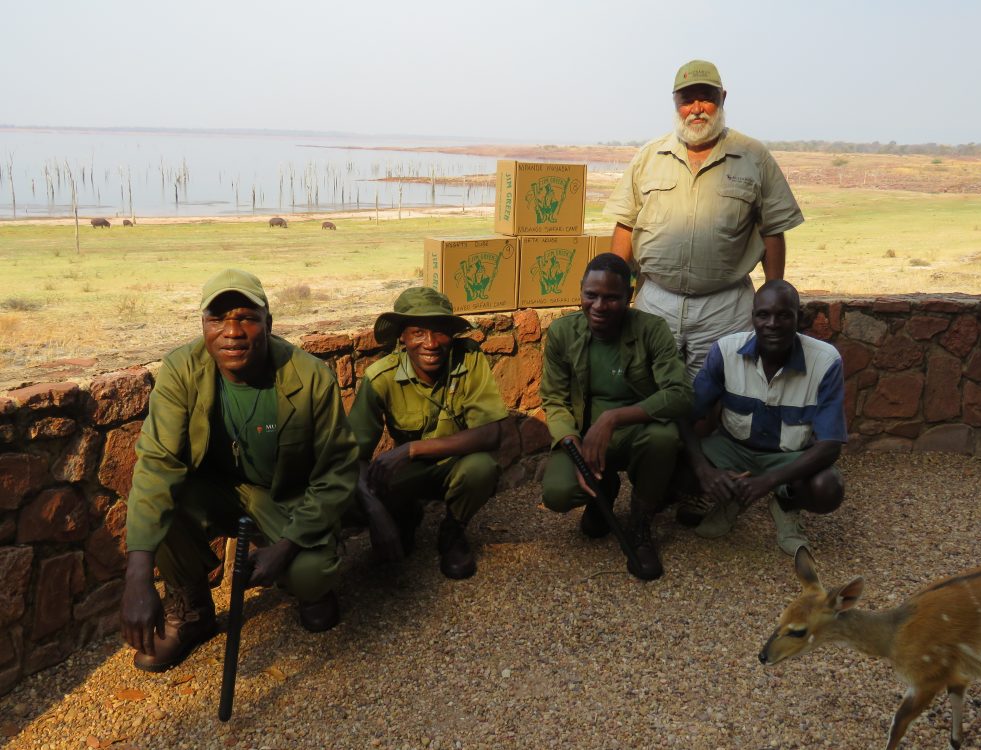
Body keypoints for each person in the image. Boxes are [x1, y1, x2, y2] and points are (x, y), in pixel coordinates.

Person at [121, 269, 358, 672]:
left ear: (269, 323)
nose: (231, 332)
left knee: (311, 573)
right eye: (217, 319)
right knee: (165, 501)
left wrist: (285, 548)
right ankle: (194, 612)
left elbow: (337, 472)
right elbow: (156, 466)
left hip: (282, 495)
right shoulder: (181, 371)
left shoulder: (310, 377)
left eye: (246, 317)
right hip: (213, 491)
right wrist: (138, 574)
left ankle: (310, 587)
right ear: (203, 325)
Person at [604, 59, 804, 380]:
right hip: (656, 303)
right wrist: (612, 294)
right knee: (650, 392)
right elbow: (625, 225)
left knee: (719, 401)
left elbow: (773, 230)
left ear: (723, 98)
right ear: (675, 103)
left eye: (706, 97)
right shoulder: (649, 156)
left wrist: (773, 297)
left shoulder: (753, 156)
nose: (697, 108)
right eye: (687, 100)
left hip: (725, 309)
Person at [540, 253, 692, 580]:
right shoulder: (562, 334)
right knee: (557, 493)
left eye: (612, 298)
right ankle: (602, 491)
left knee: (664, 437)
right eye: (591, 295)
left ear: (629, 297)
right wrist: (571, 442)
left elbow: (680, 393)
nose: (599, 306)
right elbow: (554, 399)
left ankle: (640, 523)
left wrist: (612, 419)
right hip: (584, 437)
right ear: (580, 291)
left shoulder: (651, 330)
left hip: (636, 431)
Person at [348, 287, 507, 580]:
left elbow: (492, 435)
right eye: (418, 332)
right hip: (411, 474)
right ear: (402, 337)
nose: (431, 343)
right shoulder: (381, 378)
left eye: (439, 331)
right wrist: (377, 514)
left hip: (457, 464)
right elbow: (352, 458)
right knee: (367, 486)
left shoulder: (469, 360)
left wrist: (412, 449)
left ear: (451, 333)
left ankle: (453, 530)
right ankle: (404, 518)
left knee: (482, 468)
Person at [679, 280, 846, 555]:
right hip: (732, 450)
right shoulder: (725, 351)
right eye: (763, 315)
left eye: (783, 315)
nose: (772, 323)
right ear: (752, 317)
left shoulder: (825, 361)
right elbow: (686, 416)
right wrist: (704, 470)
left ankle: (785, 504)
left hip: (789, 455)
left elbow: (830, 444)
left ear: (798, 318)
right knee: (675, 470)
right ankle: (733, 497)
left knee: (828, 488)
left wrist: (768, 481)